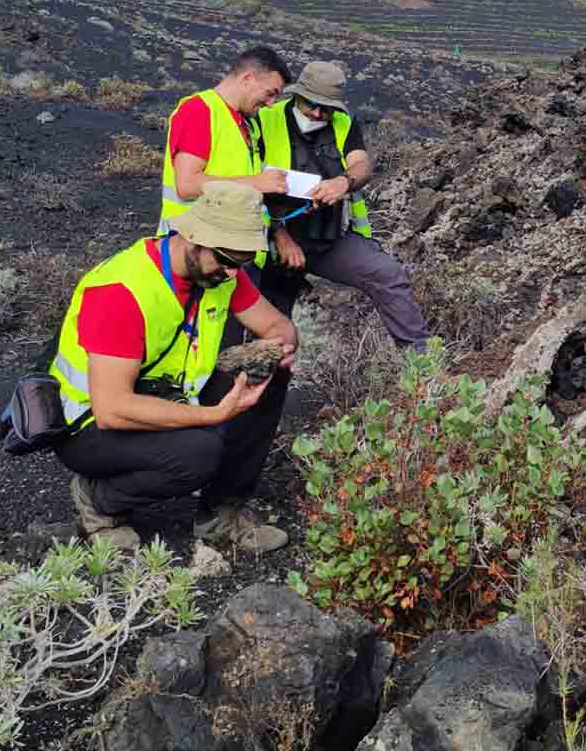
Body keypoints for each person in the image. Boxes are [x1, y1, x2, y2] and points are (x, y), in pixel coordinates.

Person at [50, 181, 298, 553]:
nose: (233, 274)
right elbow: (112, 410)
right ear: (192, 239)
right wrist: (215, 414)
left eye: (242, 263)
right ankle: (98, 501)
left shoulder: (221, 271)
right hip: (87, 426)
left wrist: (279, 348)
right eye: (227, 261)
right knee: (198, 453)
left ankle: (220, 514)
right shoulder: (122, 290)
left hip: (165, 393)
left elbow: (278, 326)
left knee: (268, 374)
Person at [257, 60, 430, 349]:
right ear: (296, 95)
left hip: (328, 238)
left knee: (387, 274)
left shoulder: (343, 121)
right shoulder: (264, 120)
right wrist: (279, 235)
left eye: (326, 107)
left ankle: (423, 360)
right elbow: (248, 187)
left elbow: (361, 164)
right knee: (276, 333)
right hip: (275, 246)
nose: (318, 113)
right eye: (311, 104)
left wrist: (343, 182)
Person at [160, 46, 292, 242]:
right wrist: (256, 182)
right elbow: (187, 185)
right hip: (196, 248)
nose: (271, 103)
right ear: (247, 79)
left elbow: (238, 170)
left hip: (230, 246)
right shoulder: (199, 111)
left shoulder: (246, 121)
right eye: (270, 93)